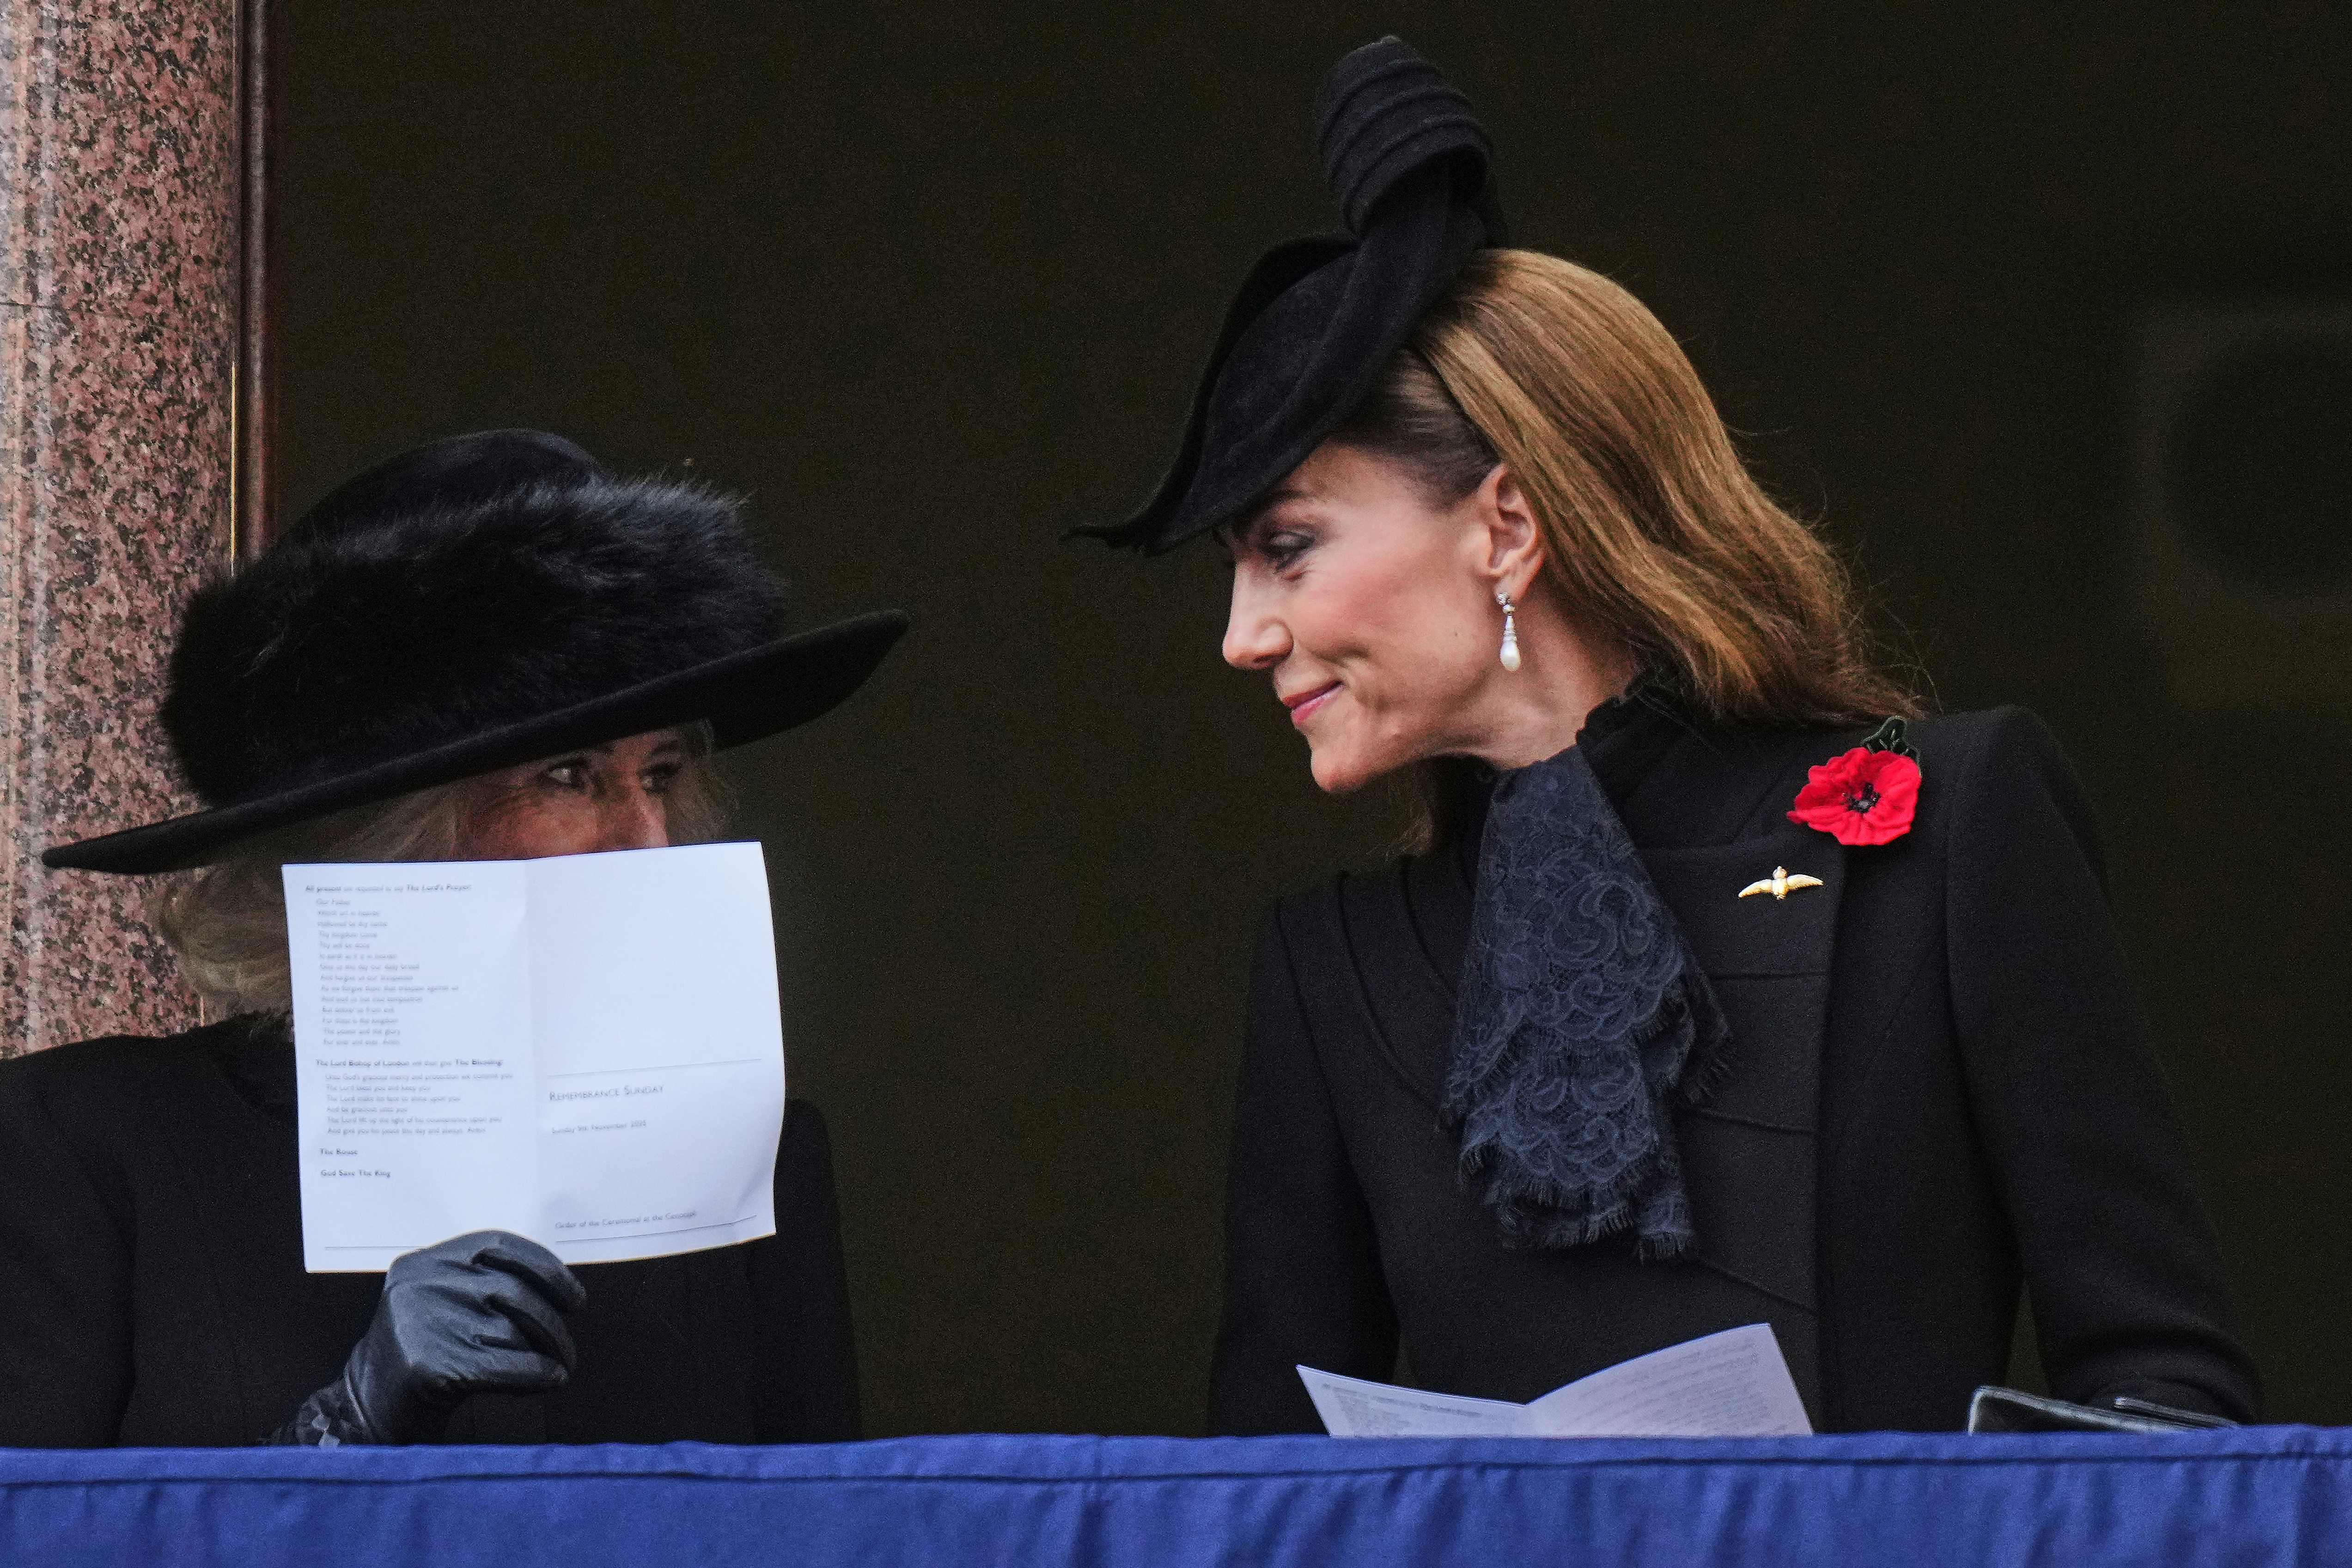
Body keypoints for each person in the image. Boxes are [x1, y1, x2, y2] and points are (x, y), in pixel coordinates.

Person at [1080, 39, 2261, 1433]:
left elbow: (2166, 1393)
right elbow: (1258, 1494)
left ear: (1505, 525)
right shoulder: (1329, 965)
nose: (1241, 634)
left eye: (1287, 546)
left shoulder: (1954, 821)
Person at [0, 430, 908, 1446]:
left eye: (660, 775)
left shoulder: (746, 1162)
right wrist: (346, 1422)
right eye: (569, 775)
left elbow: (814, 1517)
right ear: (387, 833)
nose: (646, 839)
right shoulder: (88, 1146)